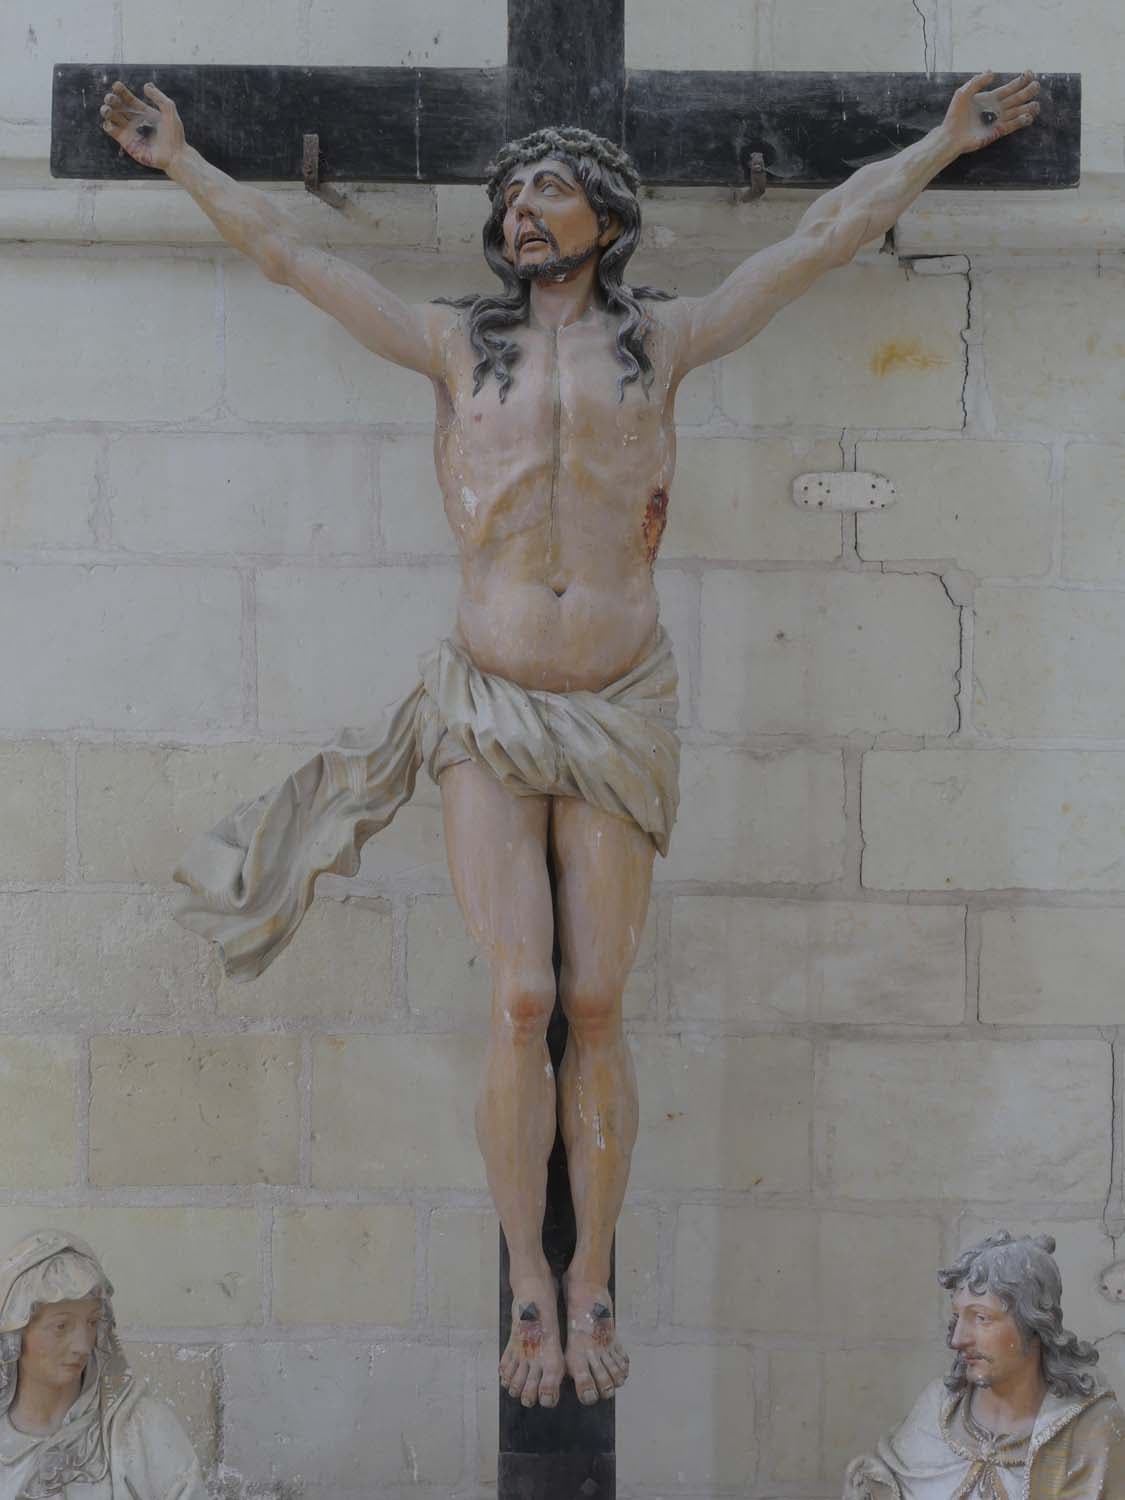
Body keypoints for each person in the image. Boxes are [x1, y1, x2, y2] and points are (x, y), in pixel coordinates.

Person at [99, 71, 1040, 1410]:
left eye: (548, 190)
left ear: (609, 213)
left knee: (596, 999)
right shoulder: (450, 343)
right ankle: (527, 1279)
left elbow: (821, 237)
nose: (520, 212)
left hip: (617, 702)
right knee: (522, 998)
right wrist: (183, 161)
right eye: (511, 197)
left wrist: (941, 144)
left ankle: (593, 1265)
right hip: (486, 702)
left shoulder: (665, 341)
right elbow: (294, 258)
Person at [844, 1232, 1125, 1499]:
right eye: (957, 1317)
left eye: (981, 1318)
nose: (958, 1339)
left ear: (1035, 1325)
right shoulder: (936, 1410)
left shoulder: (1091, 1432)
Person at [0, 1229, 206, 1499]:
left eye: (92, 1322)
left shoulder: (141, 1429)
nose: (83, 1346)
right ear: (15, 1335)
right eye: (61, 1326)